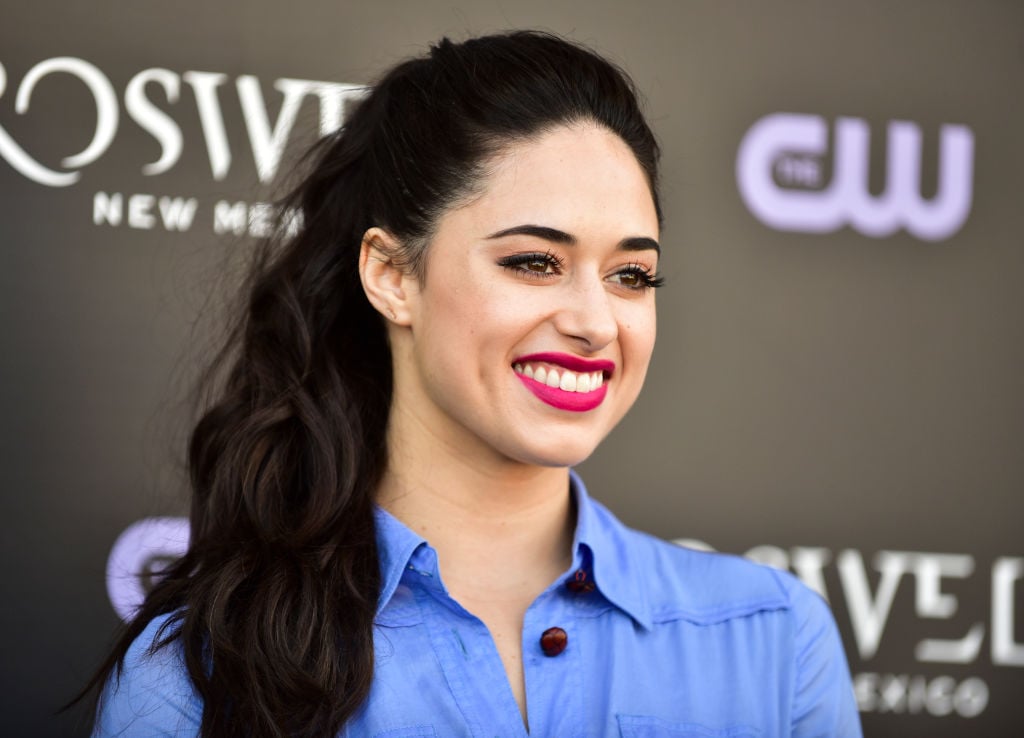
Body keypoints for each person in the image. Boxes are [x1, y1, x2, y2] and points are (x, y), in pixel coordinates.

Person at [87, 30, 862, 738]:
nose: (596, 322)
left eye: (631, 275)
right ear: (391, 275)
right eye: (535, 262)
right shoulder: (195, 677)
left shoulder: (772, 641)